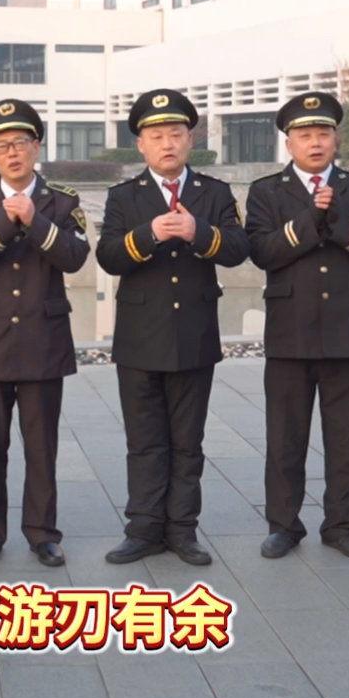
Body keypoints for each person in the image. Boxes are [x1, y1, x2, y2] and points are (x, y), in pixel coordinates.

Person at [95, 88, 251, 566]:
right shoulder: (124, 196)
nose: (167, 143)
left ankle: (183, 529)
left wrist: (198, 232)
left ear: (190, 140)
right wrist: (149, 235)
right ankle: (143, 528)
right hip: (140, 337)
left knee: (187, 441)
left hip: (194, 334)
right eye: (157, 135)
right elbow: (108, 256)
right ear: (141, 144)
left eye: (176, 134)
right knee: (144, 441)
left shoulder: (214, 193)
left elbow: (238, 249)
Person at [244, 92, 349, 562]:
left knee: (348, 438)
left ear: (335, 139)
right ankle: (283, 525)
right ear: (288, 143)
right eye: (305, 135)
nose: (315, 142)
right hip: (290, 332)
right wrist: (312, 219)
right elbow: (264, 253)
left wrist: (339, 219)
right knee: (285, 438)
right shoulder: (267, 191)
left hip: (348, 330)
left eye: (323, 133)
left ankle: (341, 527)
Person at [0, 99, 90, 568]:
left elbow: (74, 257)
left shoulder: (63, 202)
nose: (12, 152)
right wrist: (4, 220)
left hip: (43, 339)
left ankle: (43, 533)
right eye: (2, 145)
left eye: (20, 142)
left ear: (36, 146)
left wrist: (35, 220)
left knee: (41, 445)